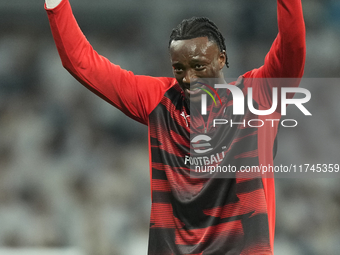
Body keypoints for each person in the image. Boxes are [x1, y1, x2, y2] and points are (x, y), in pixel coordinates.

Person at [45, 0, 305, 254]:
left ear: (221, 59)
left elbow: (291, 45)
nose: (189, 79)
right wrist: (56, 5)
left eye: (199, 66)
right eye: (179, 68)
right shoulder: (160, 100)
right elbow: (82, 63)